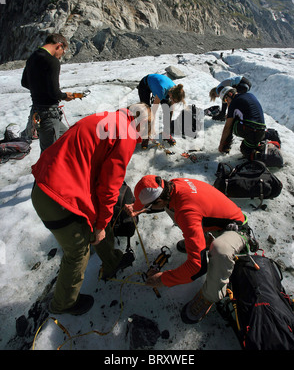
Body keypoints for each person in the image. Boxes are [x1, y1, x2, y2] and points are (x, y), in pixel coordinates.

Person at [31, 103, 152, 316]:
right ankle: (63, 304)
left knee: (99, 222)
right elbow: (108, 187)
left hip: (49, 183)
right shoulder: (126, 133)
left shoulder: (107, 119)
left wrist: (100, 223)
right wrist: (101, 225)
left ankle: (112, 261)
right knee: (78, 251)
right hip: (57, 197)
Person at [124, 175, 256, 324]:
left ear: (159, 200)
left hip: (237, 229)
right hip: (213, 218)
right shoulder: (173, 185)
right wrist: (138, 209)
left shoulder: (186, 212)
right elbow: (167, 204)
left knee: (220, 250)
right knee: (174, 210)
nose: (147, 207)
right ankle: (202, 241)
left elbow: (197, 267)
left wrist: (162, 279)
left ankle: (210, 295)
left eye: (149, 205)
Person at [21, 33, 74, 152]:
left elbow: (25, 82)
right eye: (63, 51)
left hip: (37, 111)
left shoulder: (33, 57)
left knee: (67, 138)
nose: (61, 56)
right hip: (49, 114)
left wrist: (40, 91)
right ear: (59, 46)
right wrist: (65, 96)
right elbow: (55, 93)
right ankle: (46, 170)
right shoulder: (52, 62)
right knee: (49, 154)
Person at [137, 73, 185, 148]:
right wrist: (151, 128)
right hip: (145, 84)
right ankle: (145, 136)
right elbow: (153, 112)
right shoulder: (161, 90)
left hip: (159, 85)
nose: (174, 103)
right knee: (147, 112)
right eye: (174, 100)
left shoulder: (176, 90)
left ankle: (166, 134)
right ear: (171, 95)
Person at [218, 86, 266, 159]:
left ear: (230, 94)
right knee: (247, 147)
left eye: (226, 99)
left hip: (251, 131)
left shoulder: (234, 102)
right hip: (261, 131)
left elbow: (227, 127)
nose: (227, 102)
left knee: (231, 122)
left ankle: (225, 148)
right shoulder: (249, 95)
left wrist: (221, 145)